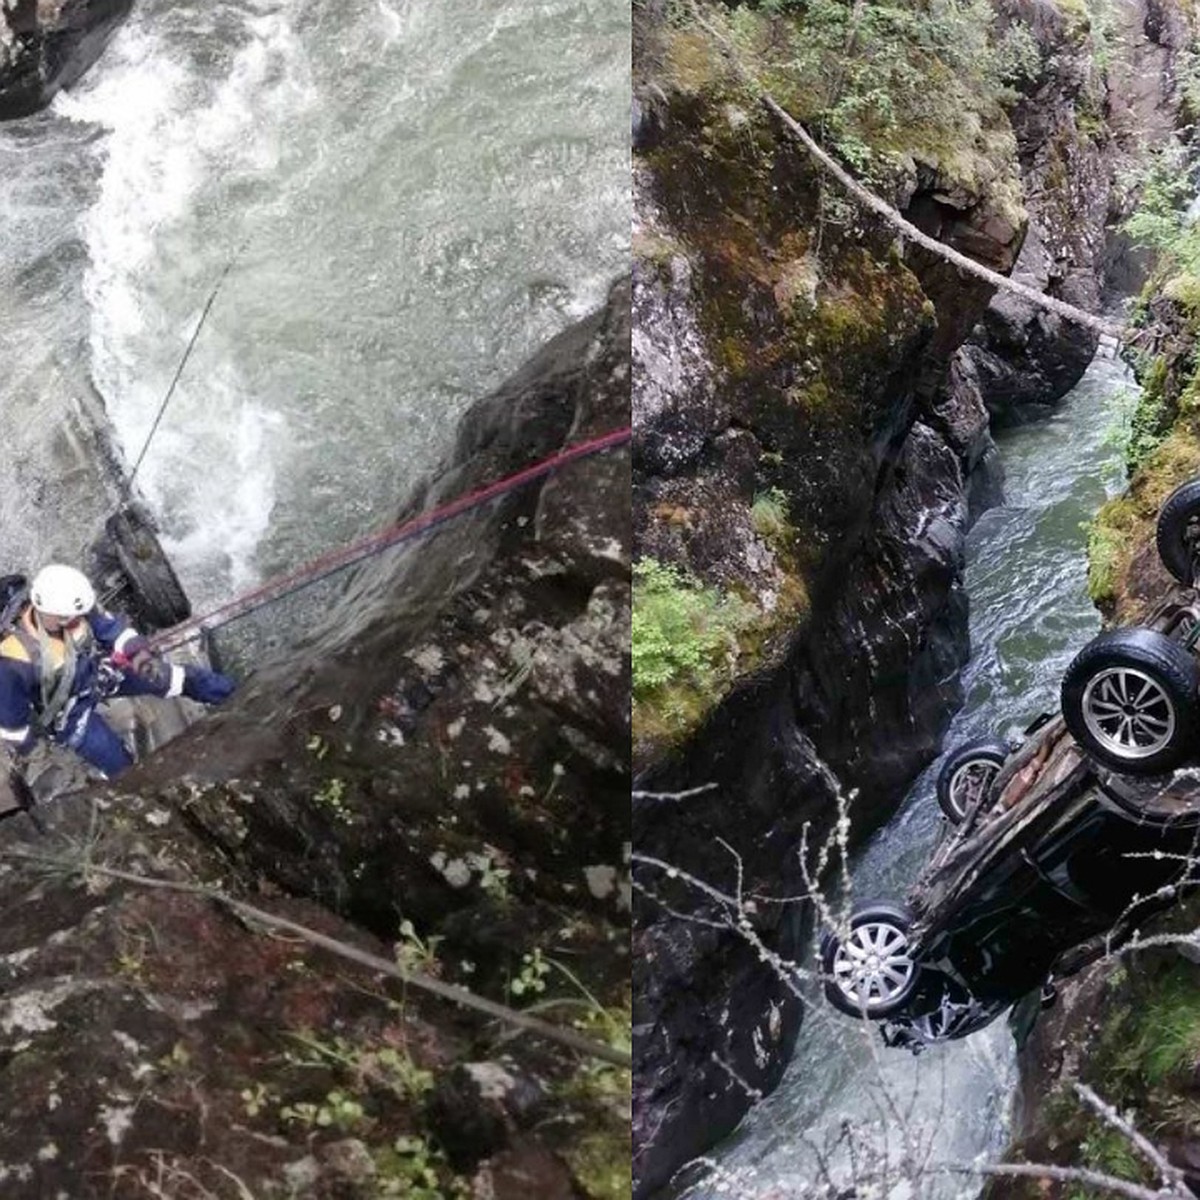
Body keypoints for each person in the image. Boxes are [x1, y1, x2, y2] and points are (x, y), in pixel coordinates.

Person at [0, 564, 234, 779]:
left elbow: (114, 631)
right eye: (68, 618)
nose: (78, 621)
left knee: (184, 678)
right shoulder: (14, 661)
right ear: (47, 612)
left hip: (100, 672)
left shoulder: (74, 607)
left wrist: (142, 659)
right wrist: (37, 751)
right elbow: (13, 724)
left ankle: (235, 697)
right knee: (121, 767)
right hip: (68, 713)